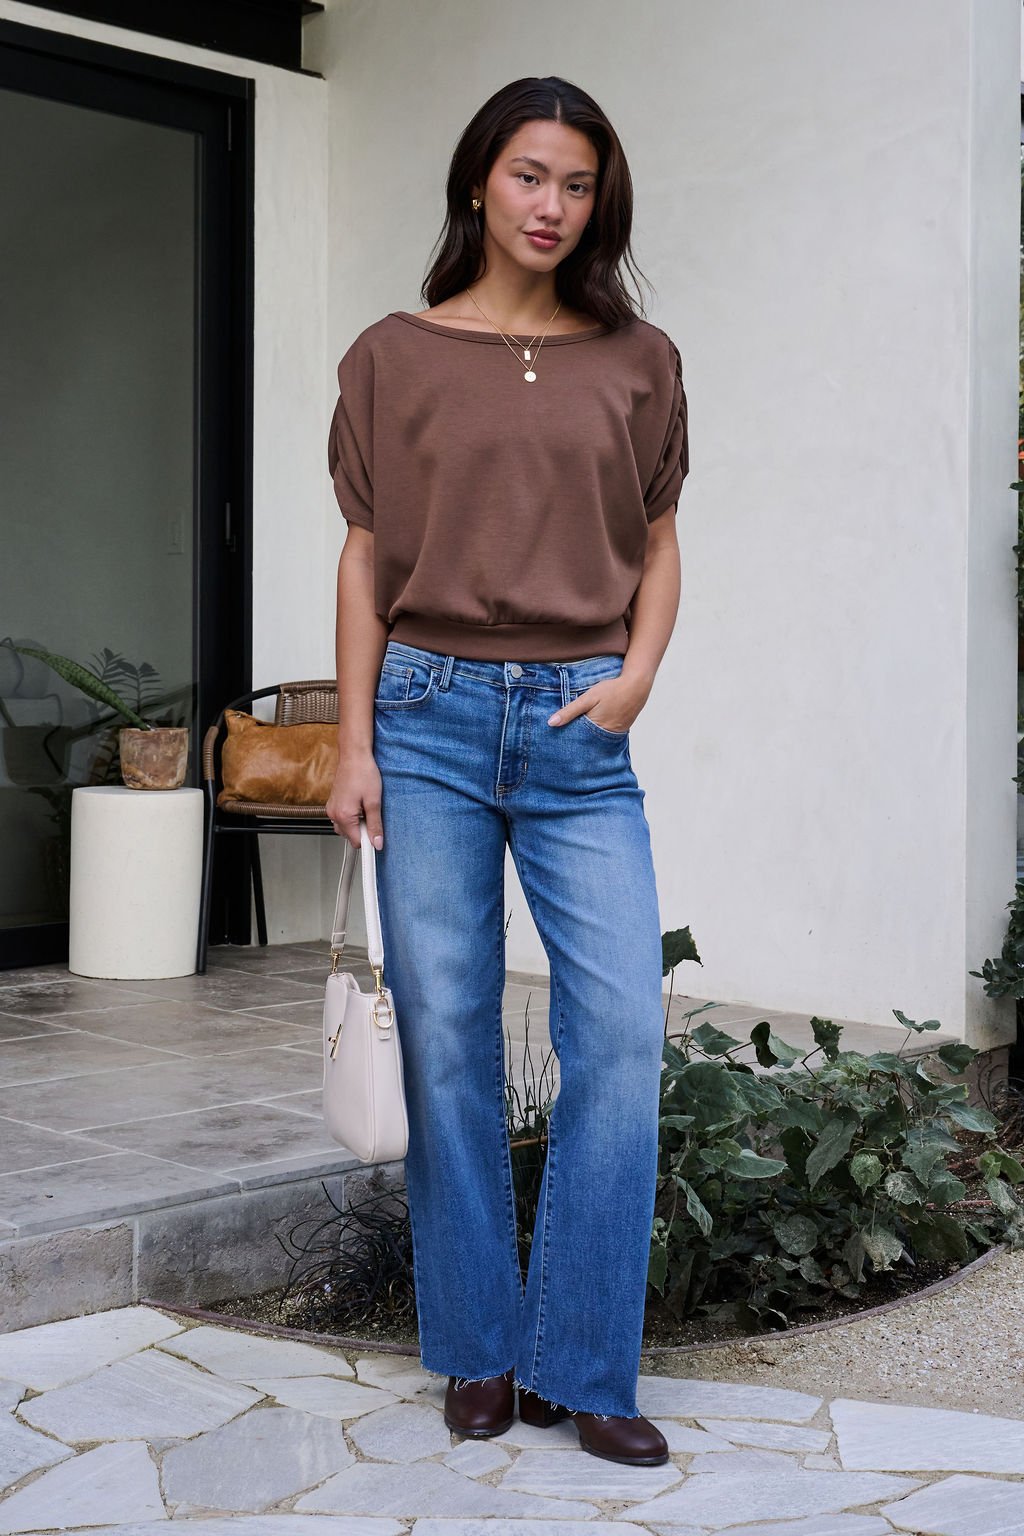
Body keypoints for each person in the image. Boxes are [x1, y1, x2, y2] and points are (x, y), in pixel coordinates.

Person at [326, 74, 688, 1468]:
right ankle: (480, 1352)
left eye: (579, 184)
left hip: (578, 728)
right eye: (531, 176)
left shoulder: (638, 358)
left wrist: (637, 675)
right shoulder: (392, 354)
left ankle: (586, 1364)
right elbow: (366, 555)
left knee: (621, 1036)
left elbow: (658, 539)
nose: (553, 205)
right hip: (420, 715)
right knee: (452, 1037)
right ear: (481, 182)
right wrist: (353, 742)